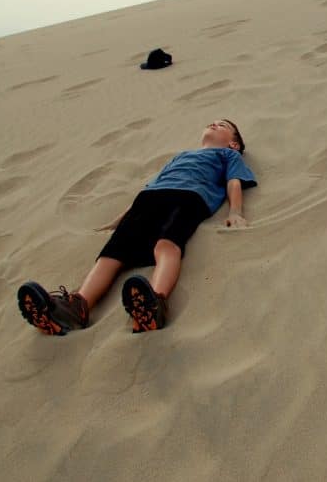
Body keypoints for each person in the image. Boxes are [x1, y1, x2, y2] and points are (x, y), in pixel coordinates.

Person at [17, 119, 256, 335]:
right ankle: (77, 306)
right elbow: (154, 182)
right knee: (112, 254)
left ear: (233, 143)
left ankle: (155, 302)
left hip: (190, 197)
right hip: (148, 198)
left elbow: (233, 182)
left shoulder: (227, 156)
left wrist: (235, 212)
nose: (214, 124)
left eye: (223, 125)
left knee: (167, 245)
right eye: (211, 122)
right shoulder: (180, 156)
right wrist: (119, 219)